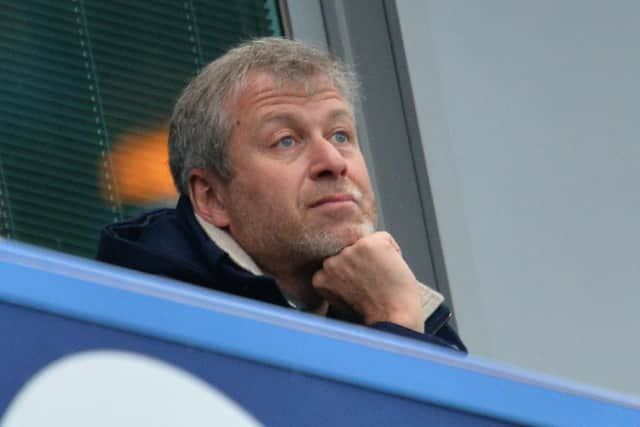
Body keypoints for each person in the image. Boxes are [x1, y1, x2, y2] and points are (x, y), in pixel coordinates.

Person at [97, 37, 465, 352]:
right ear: (212, 197)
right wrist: (396, 323)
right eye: (286, 141)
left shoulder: (397, 296)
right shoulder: (152, 327)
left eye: (340, 134)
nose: (333, 162)